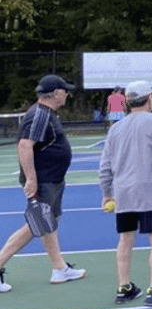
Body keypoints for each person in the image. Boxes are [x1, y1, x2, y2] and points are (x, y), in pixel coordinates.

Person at [98, 80, 152, 309]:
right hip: (149, 188)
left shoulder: (116, 128)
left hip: (123, 190)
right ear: (148, 99)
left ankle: (124, 287)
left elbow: (105, 166)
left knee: (125, 237)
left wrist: (107, 193)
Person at [0, 74, 87, 293]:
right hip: (43, 181)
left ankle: (59, 269)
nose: (67, 94)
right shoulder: (39, 114)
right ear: (56, 93)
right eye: (65, 90)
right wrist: (31, 178)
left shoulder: (46, 114)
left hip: (52, 179)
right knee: (36, 225)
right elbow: (24, 145)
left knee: (49, 222)